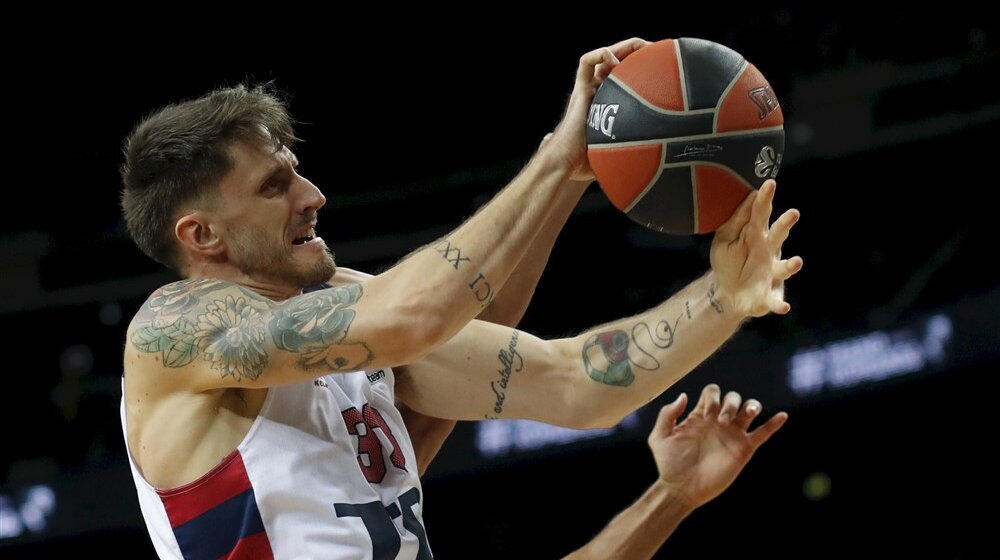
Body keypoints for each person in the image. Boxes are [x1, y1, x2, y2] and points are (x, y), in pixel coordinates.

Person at [119, 36, 803, 559]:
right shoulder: (175, 330)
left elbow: (577, 385)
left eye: (297, 172)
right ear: (202, 235)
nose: (312, 196)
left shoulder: (349, 316)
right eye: (275, 186)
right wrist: (554, 163)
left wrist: (725, 297)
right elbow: (419, 314)